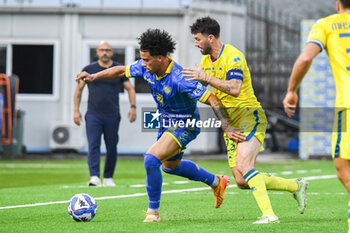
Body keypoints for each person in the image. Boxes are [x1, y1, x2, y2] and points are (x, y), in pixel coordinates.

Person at [76, 29, 246, 222]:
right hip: (166, 123)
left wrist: (227, 126)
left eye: (147, 60)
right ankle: (216, 182)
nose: (144, 64)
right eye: (142, 59)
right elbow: (121, 70)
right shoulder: (145, 67)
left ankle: (153, 213)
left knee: (150, 159)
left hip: (185, 124)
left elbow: (213, 99)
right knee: (170, 167)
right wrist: (93, 77)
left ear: (161, 58)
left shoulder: (181, 78)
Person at [183, 16, 308, 224]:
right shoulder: (205, 62)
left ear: (211, 38)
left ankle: (270, 215)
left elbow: (234, 88)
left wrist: (206, 78)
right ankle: (295, 186)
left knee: (244, 164)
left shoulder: (234, 57)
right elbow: (213, 97)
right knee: (241, 180)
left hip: (249, 115)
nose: (195, 44)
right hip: (231, 122)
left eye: (197, 39)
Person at [282, 0, 350, 231]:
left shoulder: (327, 24)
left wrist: (291, 91)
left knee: (343, 170)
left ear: (338, 3)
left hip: (348, 107)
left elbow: (306, 58)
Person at [73, 41, 136, 187]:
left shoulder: (118, 69)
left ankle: (108, 177)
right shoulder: (89, 69)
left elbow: (130, 89)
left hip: (112, 115)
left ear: (112, 52)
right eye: (102, 50)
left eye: (107, 50)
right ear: (97, 52)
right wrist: (76, 111)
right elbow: (79, 90)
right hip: (93, 115)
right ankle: (94, 177)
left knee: (112, 147)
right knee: (93, 145)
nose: (105, 52)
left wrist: (133, 107)